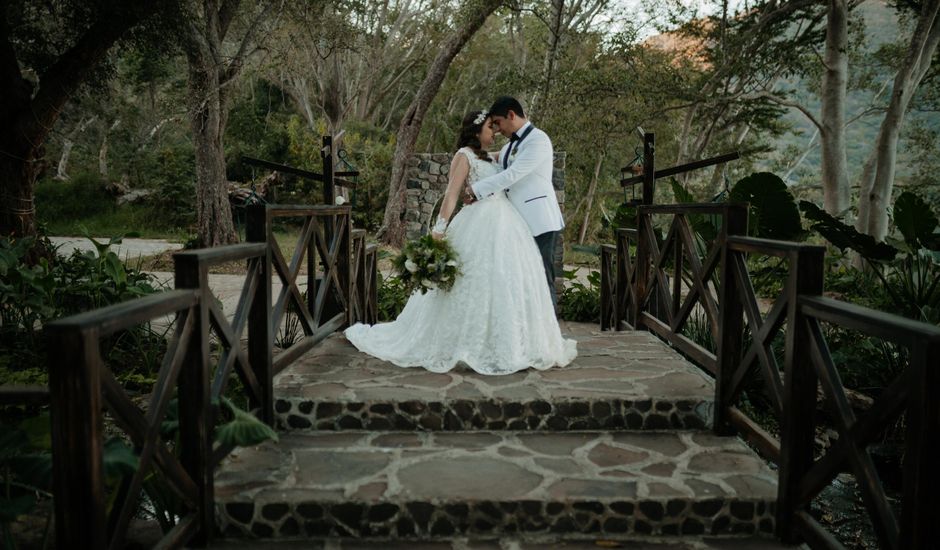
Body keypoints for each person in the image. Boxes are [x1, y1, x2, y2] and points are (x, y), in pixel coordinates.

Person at [344, 110, 576, 375]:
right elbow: (451, 195)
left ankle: (508, 341)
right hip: (477, 222)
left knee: (505, 281)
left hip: (508, 224)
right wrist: (438, 230)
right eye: (491, 127)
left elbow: (514, 164)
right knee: (470, 280)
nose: (495, 131)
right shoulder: (464, 156)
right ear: (477, 131)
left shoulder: (494, 156)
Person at [467, 96, 565, 308]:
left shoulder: (538, 140)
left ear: (511, 115)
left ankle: (549, 336)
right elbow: (491, 159)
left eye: (498, 123)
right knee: (524, 280)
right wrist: (467, 155)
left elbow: (512, 174)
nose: (497, 130)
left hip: (540, 221)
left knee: (542, 276)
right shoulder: (509, 146)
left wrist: (476, 190)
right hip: (518, 223)